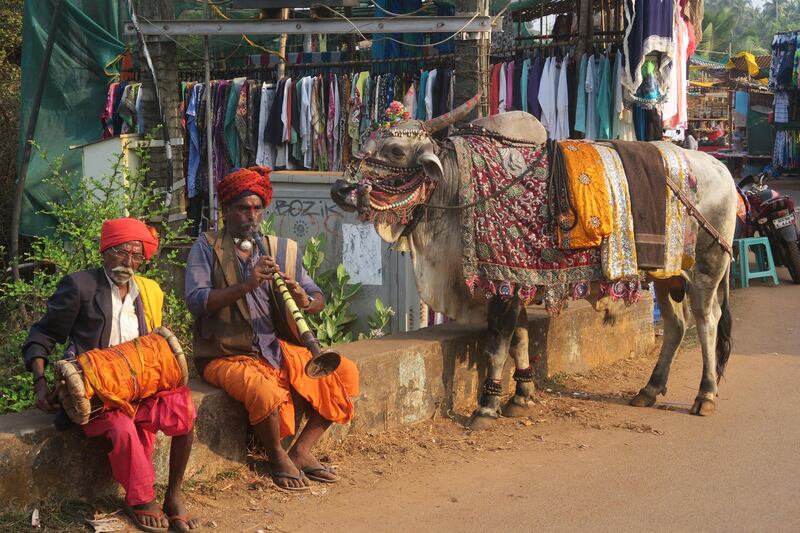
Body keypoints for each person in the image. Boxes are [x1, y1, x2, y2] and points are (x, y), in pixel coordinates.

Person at [185, 166, 359, 492]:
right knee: (265, 392)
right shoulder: (206, 247)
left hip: (274, 346)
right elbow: (196, 300)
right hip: (225, 353)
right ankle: (277, 457)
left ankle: (302, 451)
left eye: (257, 208)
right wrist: (247, 284)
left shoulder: (280, 249)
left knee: (345, 374)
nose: (251, 215)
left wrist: (302, 299)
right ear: (225, 211)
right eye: (242, 208)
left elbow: (318, 298)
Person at [23, 218, 199, 533]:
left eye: (136, 256)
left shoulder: (146, 291)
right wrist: (39, 383)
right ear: (106, 250)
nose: (128, 262)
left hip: (139, 389)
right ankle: (142, 499)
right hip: (95, 394)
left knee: (184, 409)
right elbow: (43, 334)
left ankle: (173, 494)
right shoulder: (80, 286)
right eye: (121, 252)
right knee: (122, 427)